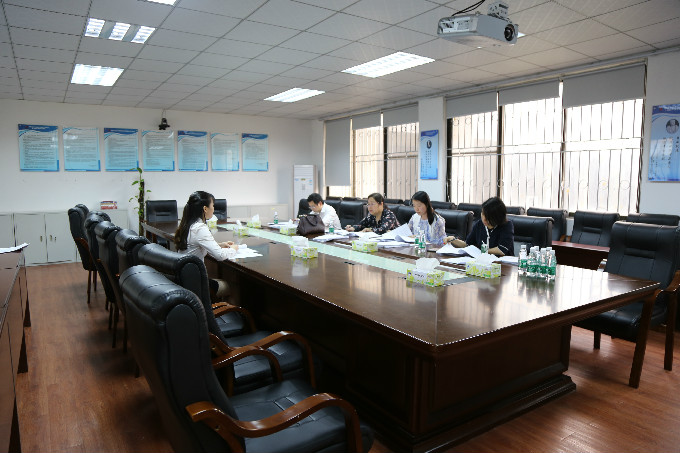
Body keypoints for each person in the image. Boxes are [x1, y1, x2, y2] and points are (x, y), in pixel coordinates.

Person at [174, 191, 238, 297]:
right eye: (213, 205)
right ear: (205, 208)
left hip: (185, 278)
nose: (213, 208)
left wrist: (219, 245)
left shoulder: (189, 224)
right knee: (232, 286)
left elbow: (196, 245)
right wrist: (234, 249)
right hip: (196, 283)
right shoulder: (200, 228)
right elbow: (220, 255)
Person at [445, 196, 514, 256]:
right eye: (483, 214)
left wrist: (481, 251)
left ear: (497, 218)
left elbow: (501, 250)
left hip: (502, 264)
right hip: (483, 261)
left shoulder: (506, 226)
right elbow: (467, 245)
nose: (484, 219)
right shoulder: (479, 224)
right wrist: (453, 239)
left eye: (488, 217)